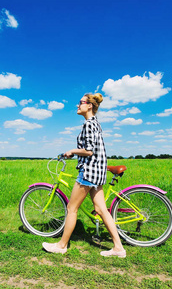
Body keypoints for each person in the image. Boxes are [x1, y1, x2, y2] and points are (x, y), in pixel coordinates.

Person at [42, 93, 126, 258]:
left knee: (72, 208)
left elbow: (89, 151)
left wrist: (72, 151)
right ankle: (118, 248)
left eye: (80, 103)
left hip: (89, 171)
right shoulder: (96, 124)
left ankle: (61, 245)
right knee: (101, 209)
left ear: (89, 106)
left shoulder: (88, 125)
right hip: (98, 171)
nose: (77, 106)